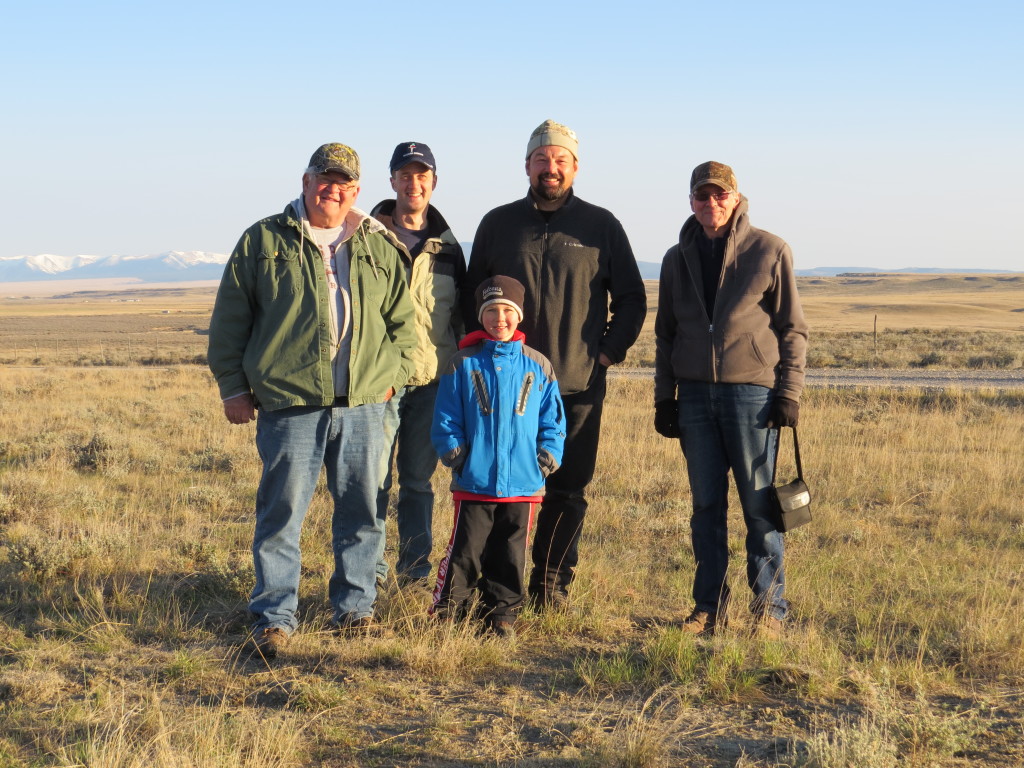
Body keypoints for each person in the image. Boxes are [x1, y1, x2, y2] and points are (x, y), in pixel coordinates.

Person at [208, 143, 416, 659]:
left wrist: (395, 377)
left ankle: (355, 611)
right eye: (324, 179)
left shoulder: (377, 243)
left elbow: (404, 324)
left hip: (365, 402)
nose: (333, 189)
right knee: (282, 513)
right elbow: (231, 319)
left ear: (357, 191)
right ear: (305, 182)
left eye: (344, 183)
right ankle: (274, 618)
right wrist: (234, 387)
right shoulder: (264, 240)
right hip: (291, 402)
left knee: (364, 511)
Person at [463, 120, 646, 609]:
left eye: (560, 160)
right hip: (504, 388)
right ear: (527, 165)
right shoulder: (498, 223)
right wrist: (482, 355)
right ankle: (494, 587)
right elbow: (470, 296)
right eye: (542, 159)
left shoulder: (600, 225)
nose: (551, 168)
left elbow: (631, 298)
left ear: (575, 167)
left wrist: (605, 354)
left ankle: (551, 583)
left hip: (575, 384)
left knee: (567, 488)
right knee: (499, 490)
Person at [654, 161, 808, 637]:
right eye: (703, 196)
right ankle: (708, 609)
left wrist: (788, 392)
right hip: (696, 396)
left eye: (720, 195)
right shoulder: (675, 258)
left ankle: (769, 611)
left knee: (759, 506)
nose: (712, 203)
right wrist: (666, 398)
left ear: (737, 199)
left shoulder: (769, 249)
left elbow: (793, 329)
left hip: (751, 397)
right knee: (706, 509)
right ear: (691, 201)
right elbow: (665, 335)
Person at [430, 276, 566, 635]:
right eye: (492, 311)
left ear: (519, 316)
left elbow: (553, 420)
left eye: (507, 310)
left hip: (523, 481)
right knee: (465, 551)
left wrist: (545, 458)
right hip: (474, 479)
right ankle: (449, 614)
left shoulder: (539, 365)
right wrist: (456, 455)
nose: (499, 318)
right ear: (481, 315)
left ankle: (502, 615)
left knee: (511, 552)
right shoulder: (462, 363)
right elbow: (446, 416)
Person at [370, 142, 465, 589]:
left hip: (432, 381)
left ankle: (412, 576)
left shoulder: (449, 249)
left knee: (418, 482)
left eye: (421, 174)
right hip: (377, 382)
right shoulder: (365, 239)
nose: (413, 183)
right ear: (392, 182)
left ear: (433, 182)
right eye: (404, 175)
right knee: (372, 482)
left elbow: (462, 319)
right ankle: (368, 575)